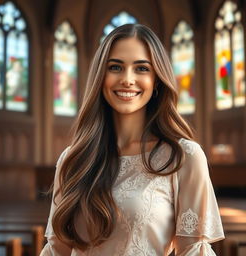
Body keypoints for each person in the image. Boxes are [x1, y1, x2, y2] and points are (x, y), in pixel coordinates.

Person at [40, 24, 224, 256]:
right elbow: (57, 250)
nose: (127, 79)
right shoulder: (73, 158)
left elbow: (193, 251)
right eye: (115, 67)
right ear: (100, 76)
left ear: (157, 79)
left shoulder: (184, 156)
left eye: (141, 69)